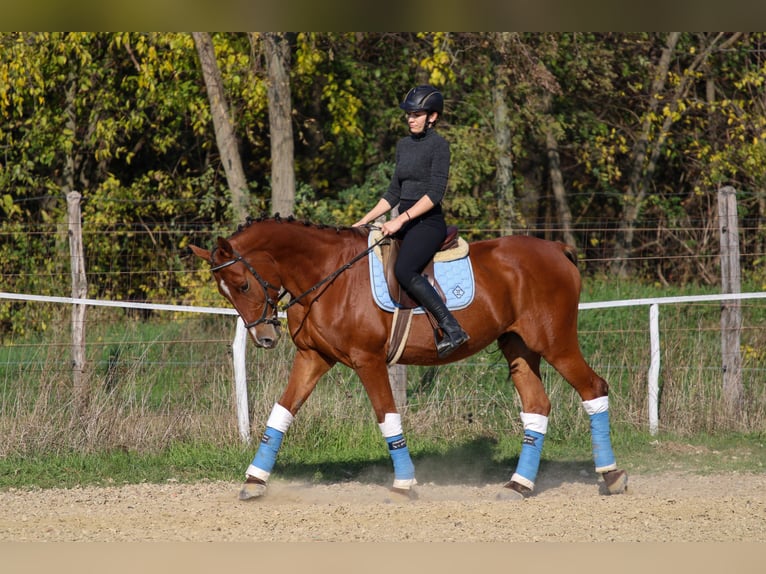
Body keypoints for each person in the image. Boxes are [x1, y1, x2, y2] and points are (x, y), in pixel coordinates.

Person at [353, 85, 469, 358]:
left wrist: (399, 221)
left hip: (427, 223)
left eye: (417, 114)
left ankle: (452, 327)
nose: (411, 119)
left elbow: (434, 193)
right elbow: (393, 192)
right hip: (403, 221)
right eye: (409, 114)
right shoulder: (403, 146)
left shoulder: (439, 146)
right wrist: (361, 221)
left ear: (433, 117)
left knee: (404, 270)